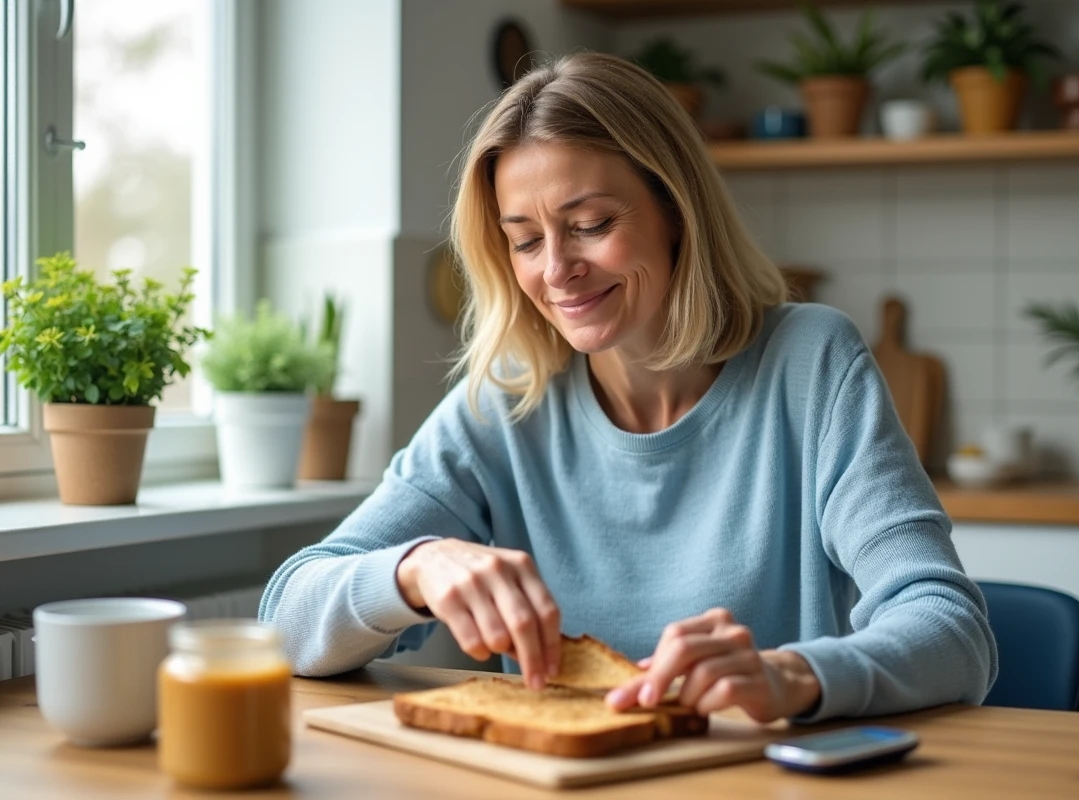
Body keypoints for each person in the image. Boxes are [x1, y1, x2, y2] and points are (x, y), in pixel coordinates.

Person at [260, 52, 997, 724]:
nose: (556, 270)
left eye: (590, 224)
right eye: (525, 240)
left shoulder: (810, 363)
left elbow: (951, 626)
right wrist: (412, 569)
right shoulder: (504, 404)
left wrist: (794, 674)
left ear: (676, 210)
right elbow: (283, 621)